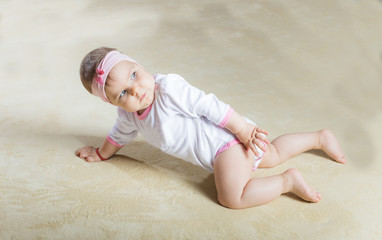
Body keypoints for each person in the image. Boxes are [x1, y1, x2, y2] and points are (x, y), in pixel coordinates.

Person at [76, 47, 346, 209]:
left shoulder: (168, 89)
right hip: (226, 147)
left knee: (232, 198)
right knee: (272, 152)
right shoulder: (129, 116)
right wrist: (101, 153)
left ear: (138, 64)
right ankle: (319, 138)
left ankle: (287, 182)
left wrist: (242, 130)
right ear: (112, 102)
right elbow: (117, 137)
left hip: (226, 144)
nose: (136, 91)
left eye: (134, 75)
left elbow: (210, 106)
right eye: (122, 93)